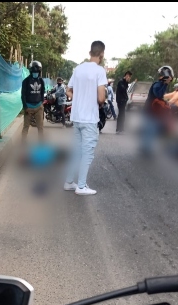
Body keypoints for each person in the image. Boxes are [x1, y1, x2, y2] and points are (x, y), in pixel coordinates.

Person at [64, 40, 108, 196]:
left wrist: (80, 97)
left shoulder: (78, 69)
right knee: (87, 152)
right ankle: (81, 186)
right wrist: (94, 100)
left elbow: (68, 90)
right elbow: (101, 98)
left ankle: (69, 182)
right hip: (89, 118)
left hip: (76, 117)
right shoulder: (100, 71)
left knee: (76, 150)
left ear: (90, 53)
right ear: (101, 54)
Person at [139, 65, 174, 155]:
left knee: (150, 130)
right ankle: (146, 149)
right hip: (150, 111)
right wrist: (166, 84)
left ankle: (145, 147)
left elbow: (161, 96)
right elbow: (158, 94)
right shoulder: (157, 84)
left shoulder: (161, 84)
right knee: (150, 130)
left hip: (153, 111)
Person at [21, 60, 46, 141]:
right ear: (30, 71)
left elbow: (42, 92)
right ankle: (23, 142)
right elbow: (23, 95)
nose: (35, 73)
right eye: (34, 71)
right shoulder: (26, 81)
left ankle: (41, 143)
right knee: (26, 126)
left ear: (39, 71)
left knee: (40, 127)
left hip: (39, 107)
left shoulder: (41, 81)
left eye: (37, 71)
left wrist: (41, 103)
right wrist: (25, 107)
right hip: (28, 107)